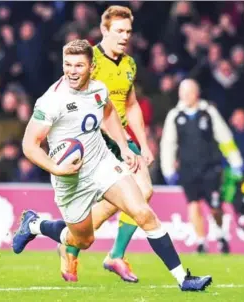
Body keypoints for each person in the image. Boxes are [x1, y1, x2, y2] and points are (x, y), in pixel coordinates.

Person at [13, 39, 212, 292]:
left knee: (142, 211)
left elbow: (108, 114)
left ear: (92, 67)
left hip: (102, 164)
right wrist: (56, 168)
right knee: (83, 240)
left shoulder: (98, 90)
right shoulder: (51, 101)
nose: (72, 71)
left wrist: (123, 146)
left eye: (79, 65)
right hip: (69, 178)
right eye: (67, 65)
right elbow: (30, 145)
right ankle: (33, 224)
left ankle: (184, 279)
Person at [57, 5, 154, 283]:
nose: (125, 37)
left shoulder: (129, 64)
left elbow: (131, 105)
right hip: (95, 139)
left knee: (143, 192)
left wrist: (143, 145)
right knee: (136, 194)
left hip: (121, 139)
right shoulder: (91, 60)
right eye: (119, 31)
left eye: (128, 32)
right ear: (104, 30)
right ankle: (79, 245)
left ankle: (97, 250)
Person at [160, 79, 244, 254]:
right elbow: (168, 144)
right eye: (182, 93)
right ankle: (201, 242)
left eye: (188, 92)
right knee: (193, 204)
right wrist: (168, 169)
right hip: (188, 169)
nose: (185, 96)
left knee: (215, 206)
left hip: (210, 168)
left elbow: (224, 137)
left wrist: (235, 160)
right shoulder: (175, 115)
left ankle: (220, 235)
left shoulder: (209, 112)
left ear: (196, 93)